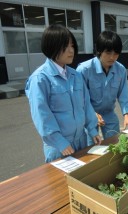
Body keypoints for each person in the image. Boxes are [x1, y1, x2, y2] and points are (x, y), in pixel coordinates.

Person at [25, 24, 101, 162]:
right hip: (58, 146)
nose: (71, 51)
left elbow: (86, 105)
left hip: (81, 141)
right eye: (65, 47)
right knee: (59, 182)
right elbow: (42, 115)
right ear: (51, 47)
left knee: (80, 179)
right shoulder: (40, 79)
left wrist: (92, 129)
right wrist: (59, 142)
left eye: (72, 46)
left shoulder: (76, 76)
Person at [76, 31, 128, 141]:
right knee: (91, 148)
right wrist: (92, 114)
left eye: (116, 53)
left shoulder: (120, 70)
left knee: (114, 142)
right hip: (88, 116)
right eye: (108, 53)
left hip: (109, 114)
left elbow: (123, 93)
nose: (112, 57)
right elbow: (80, 98)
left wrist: (127, 114)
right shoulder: (84, 70)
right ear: (99, 51)